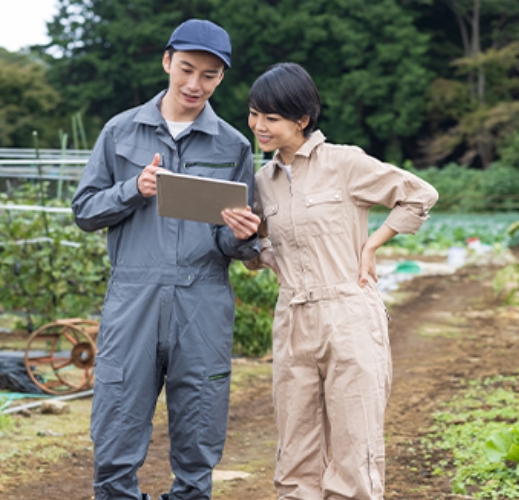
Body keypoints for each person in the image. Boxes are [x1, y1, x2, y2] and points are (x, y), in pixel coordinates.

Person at [72, 19, 261, 500]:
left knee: (200, 423)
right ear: (166, 62)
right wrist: (132, 189)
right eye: (187, 69)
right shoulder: (120, 132)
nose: (195, 84)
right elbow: (85, 211)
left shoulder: (233, 145)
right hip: (133, 296)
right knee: (117, 419)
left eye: (210, 75)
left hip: (203, 300)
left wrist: (242, 236)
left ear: (221, 78)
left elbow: (231, 242)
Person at [243, 62, 438, 499]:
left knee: (355, 445)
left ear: (302, 120)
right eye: (254, 114)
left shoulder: (345, 163)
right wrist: (259, 253)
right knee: (295, 450)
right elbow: (255, 250)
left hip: (348, 312)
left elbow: (419, 195)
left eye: (271, 118)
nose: (259, 126)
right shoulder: (262, 182)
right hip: (292, 316)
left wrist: (372, 245)